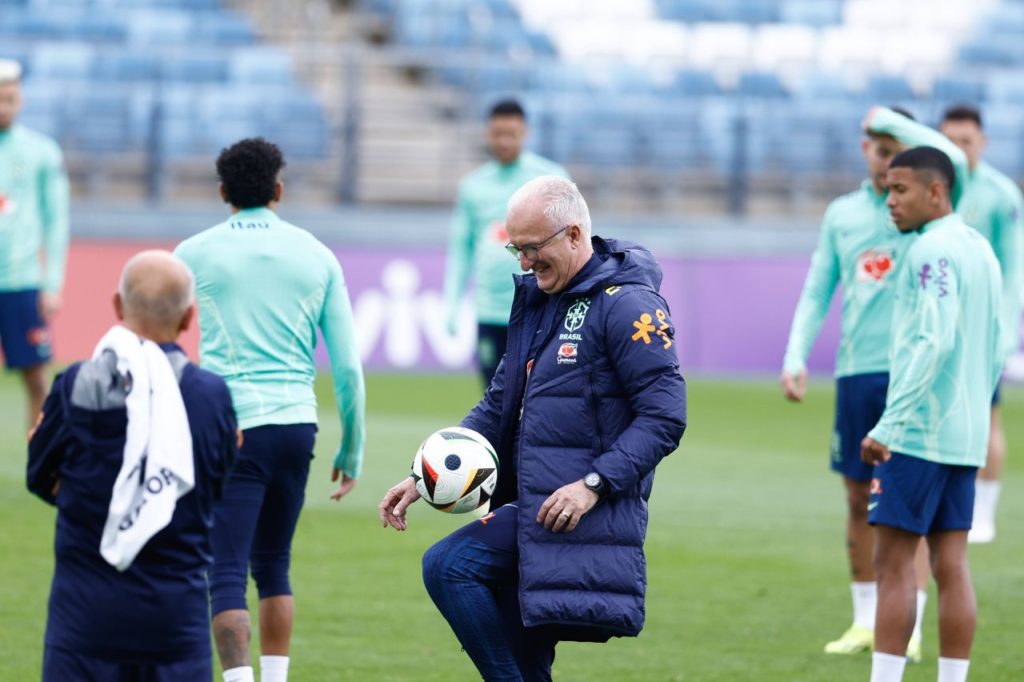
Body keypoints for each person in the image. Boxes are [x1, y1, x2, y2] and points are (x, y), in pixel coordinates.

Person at [380, 176, 687, 681]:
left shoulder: (631, 305)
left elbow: (665, 417)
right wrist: (426, 474)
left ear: (572, 234)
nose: (523, 262)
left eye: (531, 248)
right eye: (514, 249)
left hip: (580, 513)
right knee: (524, 657)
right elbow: (500, 401)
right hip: (532, 507)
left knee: (449, 566)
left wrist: (593, 485)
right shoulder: (543, 302)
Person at [174, 138, 366, 682]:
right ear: (279, 189)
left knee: (226, 568)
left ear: (222, 192)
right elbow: (348, 368)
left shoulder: (192, 253)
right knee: (274, 565)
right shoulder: (317, 254)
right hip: (295, 425)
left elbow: (164, 338)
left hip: (230, 426)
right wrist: (352, 448)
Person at [780, 107, 967, 661]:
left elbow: (952, 159)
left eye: (896, 146)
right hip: (859, 372)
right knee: (860, 497)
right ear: (863, 148)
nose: (885, 156)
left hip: (916, 374)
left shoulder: (927, 214)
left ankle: (907, 625)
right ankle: (866, 620)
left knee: (908, 502)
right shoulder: (843, 214)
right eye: (877, 145)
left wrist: (896, 125)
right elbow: (819, 289)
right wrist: (795, 355)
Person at [28, 250, 238, 681]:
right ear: (188, 318)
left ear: (118, 306)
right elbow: (213, 491)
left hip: (85, 617)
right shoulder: (211, 396)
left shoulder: (76, 385)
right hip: (175, 621)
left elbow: (39, 476)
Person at [862, 146, 1002, 682]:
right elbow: (991, 347)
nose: (889, 201)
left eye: (899, 191)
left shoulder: (929, 251)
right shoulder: (981, 251)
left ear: (935, 191)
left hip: (918, 433)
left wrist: (890, 426)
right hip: (965, 434)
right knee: (952, 566)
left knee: (893, 564)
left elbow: (931, 341)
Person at [939, 105, 1024, 544]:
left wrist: (1005, 334)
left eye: (965, 141)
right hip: (938, 326)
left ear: (982, 143)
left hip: (981, 330)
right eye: (949, 139)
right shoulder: (933, 187)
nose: (957, 148)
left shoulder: (1000, 194)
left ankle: (984, 513)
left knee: (986, 416)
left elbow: (1014, 271)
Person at [442, 98, 569, 388]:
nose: (504, 141)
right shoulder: (473, 186)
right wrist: (452, 302)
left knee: (537, 397)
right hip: (490, 309)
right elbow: (462, 249)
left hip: (540, 307)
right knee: (494, 401)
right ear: (488, 133)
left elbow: (573, 243)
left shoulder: (550, 180)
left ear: (525, 133)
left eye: (511, 133)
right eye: (498, 133)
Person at [0, 59, 70, 427]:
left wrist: (52, 283)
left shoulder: (42, 151)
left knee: (36, 378)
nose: (3, 108)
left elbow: (56, 221)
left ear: (20, 99)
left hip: (21, 281)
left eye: (9, 99)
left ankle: (39, 463)